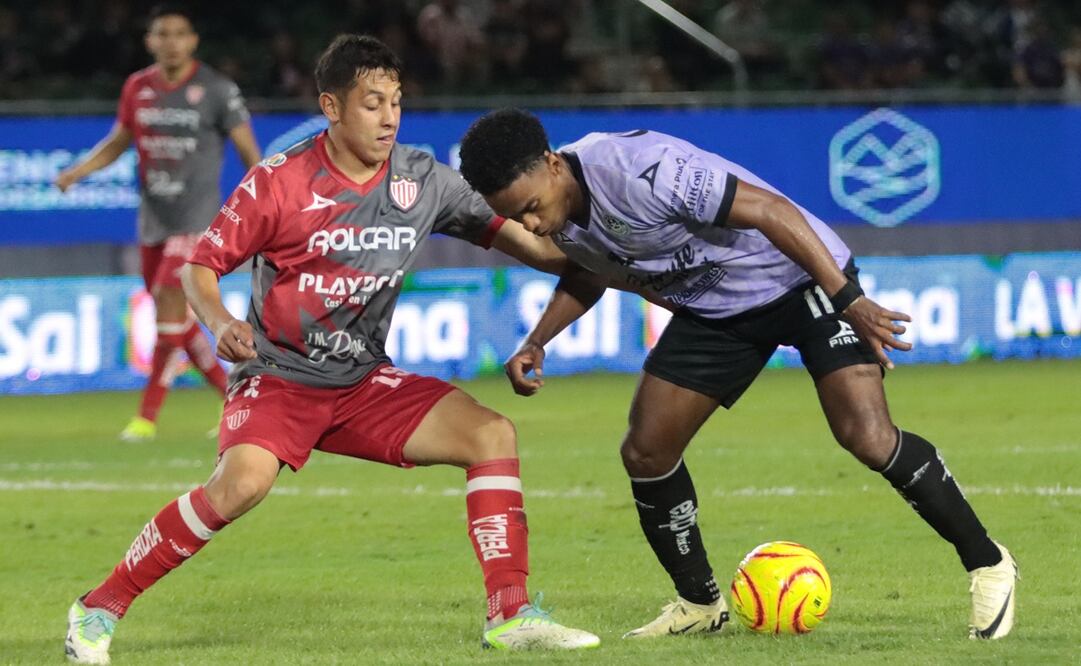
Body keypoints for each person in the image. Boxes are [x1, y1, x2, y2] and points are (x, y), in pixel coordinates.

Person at [63, 37, 600, 665]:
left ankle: (510, 614)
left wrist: (632, 258)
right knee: (241, 485)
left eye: (396, 102)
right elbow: (200, 267)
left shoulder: (423, 181)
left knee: (491, 435)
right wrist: (218, 320)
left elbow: (537, 248)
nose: (390, 116)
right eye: (373, 103)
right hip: (280, 376)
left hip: (361, 383)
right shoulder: (280, 182)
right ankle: (98, 608)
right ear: (332, 107)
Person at [457, 108, 1018, 641]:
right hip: (720, 311)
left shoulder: (642, 171)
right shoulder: (561, 215)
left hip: (801, 281)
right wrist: (537, 341)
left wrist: (848, 298)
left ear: (553, 163)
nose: (531, 225)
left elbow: (771, 211)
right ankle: (700, 604)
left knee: (867, 437)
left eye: (531, 206)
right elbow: (590, 272)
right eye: (518, 217)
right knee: (647, 451)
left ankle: (989, 564)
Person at [55, 4, 262, 442]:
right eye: (162, 34)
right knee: (175, 324)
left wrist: (261, 208)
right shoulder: (137, 87)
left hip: (198, 220)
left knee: (170, 303)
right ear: (150, 41)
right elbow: (119, 140)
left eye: (180, 33)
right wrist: (78, 171)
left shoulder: (217, 90)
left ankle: (146, 418)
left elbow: (250, 155)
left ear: (193, 41)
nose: (171, 41)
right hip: (154, 221)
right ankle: (238, 397)